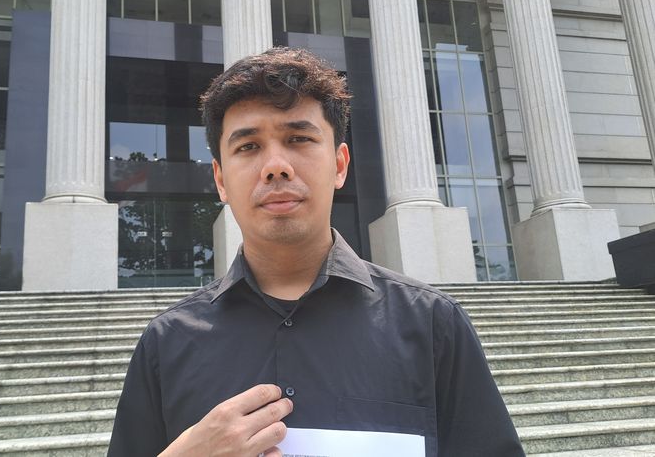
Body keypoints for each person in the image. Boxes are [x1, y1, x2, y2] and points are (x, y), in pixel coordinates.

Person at [107, 47, 525, 457]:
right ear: (220, 179)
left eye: (299, 138)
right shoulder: (166, 343)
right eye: (248, 147)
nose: (276, 166)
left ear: (340, 165)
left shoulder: (433, 325)